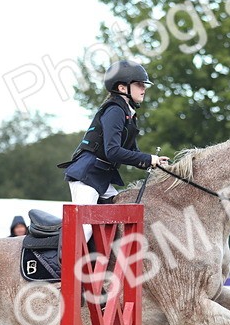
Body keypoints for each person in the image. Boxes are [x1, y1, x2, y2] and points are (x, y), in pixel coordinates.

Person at [59, 60, 169, 212]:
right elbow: (113, 151)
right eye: (139, 84)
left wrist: (154, 162)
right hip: (87, 177)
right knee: (85, 229)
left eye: (144, 85)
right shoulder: (115, 110)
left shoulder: (128, 114)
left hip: (100, 178)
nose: (144, 88)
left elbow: (134, 152)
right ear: (122, 87)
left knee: (118, 219)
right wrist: (149, 159)